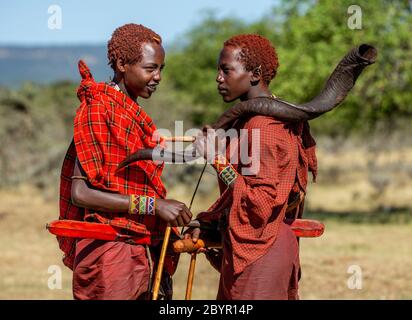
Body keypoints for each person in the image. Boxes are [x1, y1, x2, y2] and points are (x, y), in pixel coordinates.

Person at [58, 23, 192, 300]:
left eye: (161, 69)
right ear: (121, 64)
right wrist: (154, 206)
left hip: (138, 248)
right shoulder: (98, 110)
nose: (157, 77)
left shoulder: (129, 114)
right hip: (108, 255)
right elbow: (80, 193)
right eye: (150, 68)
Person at [186, 34, 318, 300]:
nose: (218, 78)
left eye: (226, 70)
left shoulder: (262, 126)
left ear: (255, 73)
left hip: (262, 252)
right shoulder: (252, 120)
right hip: (257, 248)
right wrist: (211, 221)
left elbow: (260, 202)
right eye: (218, 70)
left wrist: (217, 159)